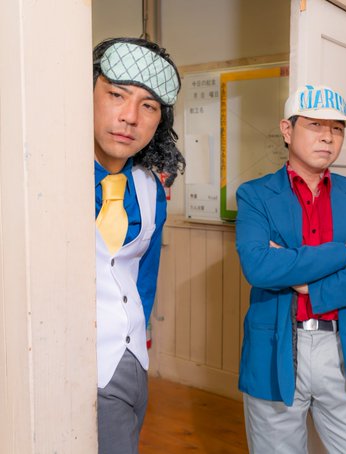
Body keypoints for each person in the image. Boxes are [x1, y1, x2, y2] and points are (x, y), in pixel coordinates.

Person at [235, 83, 346, 453]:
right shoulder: (255, 194)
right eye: (315, 125)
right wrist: (343, 253)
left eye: (337, 129)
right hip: (275, 346)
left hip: (342, 345)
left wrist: (309, 286)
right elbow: (258, 267)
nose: (328, 137)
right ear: (287, 130)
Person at [92, 37, 184, 454]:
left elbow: (144, 278)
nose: (129, 117)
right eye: (116, 94)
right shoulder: (40, 175)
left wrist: (138, 351)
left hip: (131, 365)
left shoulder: (149, 188)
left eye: (148, 106)